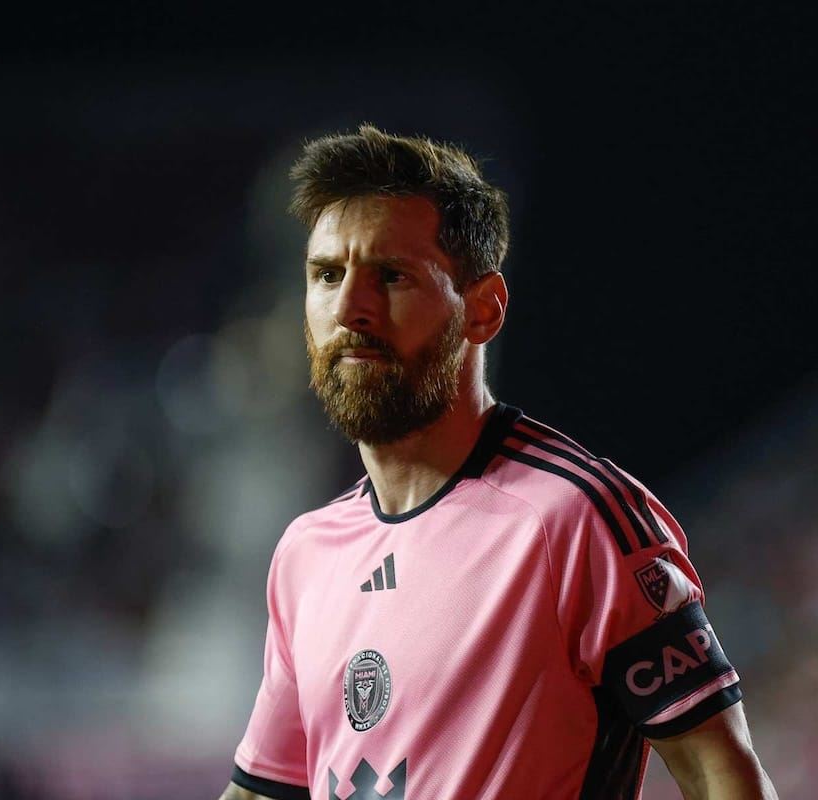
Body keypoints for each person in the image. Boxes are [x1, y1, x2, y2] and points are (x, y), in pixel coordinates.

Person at [220, 125, 777, 800]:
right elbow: (261, 793)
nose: (350, 308)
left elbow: (722, 775)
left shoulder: (573, 519)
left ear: (482, 310)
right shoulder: (306, 554)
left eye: (391, 276)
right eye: (327, 275)